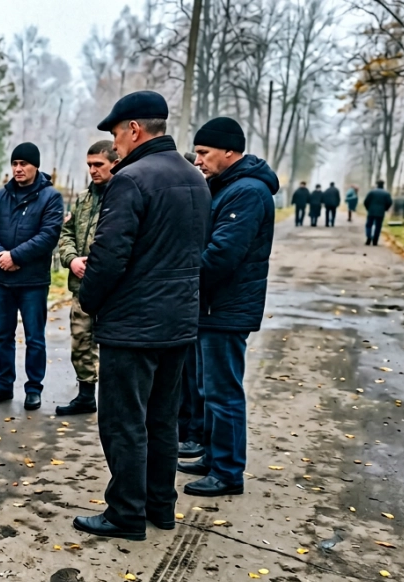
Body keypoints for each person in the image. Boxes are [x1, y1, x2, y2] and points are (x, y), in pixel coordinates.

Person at [71, 91, 209, 541]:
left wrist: (89, 300)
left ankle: (125, 513)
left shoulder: (130, 180)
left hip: (133, 327)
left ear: (133, 129)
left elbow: (110, 255)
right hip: (178, 324)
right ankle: (160, 506)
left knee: (124, 422)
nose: (115, 146)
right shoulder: (195, 177)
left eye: (115, 134)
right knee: (162, 420)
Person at [178, 117, 278, 497]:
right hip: (212, 307)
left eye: (204, 153)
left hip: (226, 307)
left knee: (224, 392)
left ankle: (228, 471)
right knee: (207, 387)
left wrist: (183, 278)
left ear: (230, 151)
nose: (198, 160)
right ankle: (212, 455)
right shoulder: (227, 187)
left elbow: (221, 255)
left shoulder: (247, 192)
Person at [0, 142, 64, 411]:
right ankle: (4, 384)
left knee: (34, 337)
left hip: (32, 282)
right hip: (2, 280)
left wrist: (15, 256)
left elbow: (48, 235)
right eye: (15, 164)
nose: (18, 169)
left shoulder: (50, 197)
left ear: (35, 166)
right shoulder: (0, 196)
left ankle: (33, 388)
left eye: (23, 164)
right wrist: (0, 255)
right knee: (3, 335)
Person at [55, 140, 117, 416]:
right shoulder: (83, 199)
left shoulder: (122, 196)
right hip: (82, 285)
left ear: (114, 163)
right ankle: (85, 394)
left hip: (115, 289)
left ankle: (114, 400)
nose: (92, 170)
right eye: (89, 165)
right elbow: (66, 235)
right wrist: (72, 260)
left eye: (98, 165)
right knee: (80, 340)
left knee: (115, 346)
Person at [363, 180, 393, 246]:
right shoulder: (386, 193)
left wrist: (368, 208)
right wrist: (385, 208)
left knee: (369, 225)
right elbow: (390, 202)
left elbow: (365, 202)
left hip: (371, 211)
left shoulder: (372, 192)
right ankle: (375, 240)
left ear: (377, 184)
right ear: (383, 185)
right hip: (380, 212)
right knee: (378, 226)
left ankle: (369, 237)